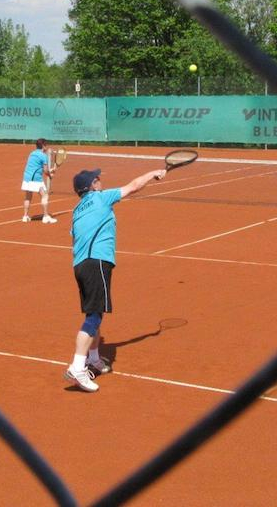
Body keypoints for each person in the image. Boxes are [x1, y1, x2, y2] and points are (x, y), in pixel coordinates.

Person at [63, 165, 166, 392]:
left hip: (80, 265)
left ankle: (94, 358)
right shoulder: (100, 197)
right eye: (96, 179)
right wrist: (152, 173)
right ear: (91, 186)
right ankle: (77, 367)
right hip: (97, 262)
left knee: (94, 312)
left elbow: (74, 239)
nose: (100, 180)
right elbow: (134, 186)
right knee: (93, 317)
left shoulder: (77, 209)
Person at [21, 138, 57, 223]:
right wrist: (50, 175)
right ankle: (46, 217)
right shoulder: (43, 156)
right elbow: (45, 170)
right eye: (46, 145)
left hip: (26, 177)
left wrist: (50, 171)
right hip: (35, 179)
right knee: (45, 196)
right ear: (43, 146)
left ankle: (25, 216)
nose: (46, 147)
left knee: (28, 197)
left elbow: (37, 166)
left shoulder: (32, 153)